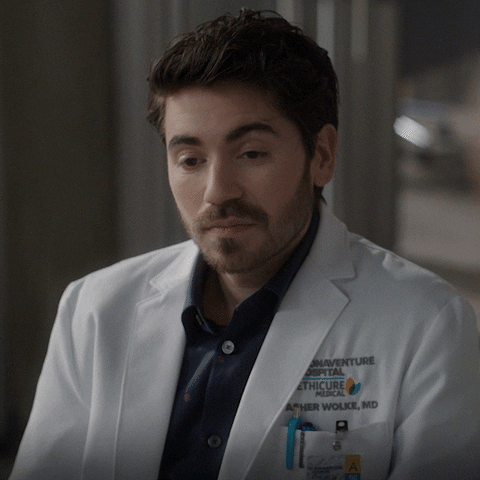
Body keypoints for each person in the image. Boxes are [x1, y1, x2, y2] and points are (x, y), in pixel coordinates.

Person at [10, 9, 480, 480]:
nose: (218, 191)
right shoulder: (95, 310)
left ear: (321, 155)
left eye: (251, 153)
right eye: (190, 159)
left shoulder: (425, 324)